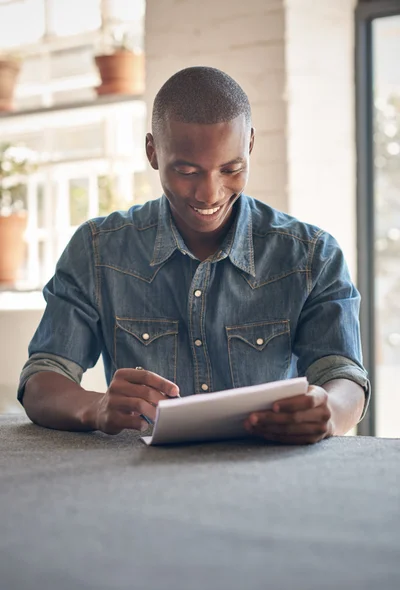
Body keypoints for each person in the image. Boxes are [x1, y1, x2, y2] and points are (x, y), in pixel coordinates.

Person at [18, 66, 370, 444]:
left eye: (231, 169)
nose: (209, 193)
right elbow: (42, 378)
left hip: (271, 481)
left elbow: (344, 373)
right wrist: (97, 406)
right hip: (141, 484)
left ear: (250, 145)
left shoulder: (311, 255)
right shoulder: (97, 249)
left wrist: (329, 411)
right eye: (187, 171)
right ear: (153, 152)